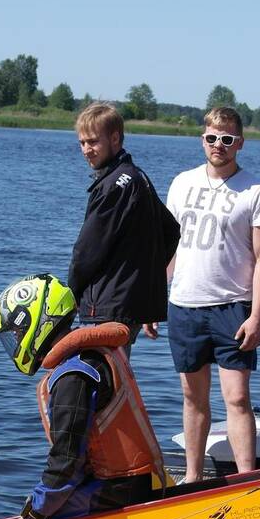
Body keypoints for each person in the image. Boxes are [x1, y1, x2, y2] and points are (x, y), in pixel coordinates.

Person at [0, 274, 166, 519]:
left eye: (16, 334)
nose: (16, 342)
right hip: (140, 482)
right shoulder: (93, 355)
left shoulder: (73, 377)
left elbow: (67, 462)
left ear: (37, 323)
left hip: (118, 492)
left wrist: (31, 517)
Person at [163, 107, 260, 482]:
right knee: (193, 399)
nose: (219, 146)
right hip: (185, 305)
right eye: (212, 138)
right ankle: (193, 478)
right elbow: (169, 247)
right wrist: (151, 298)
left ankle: (247, 480)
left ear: (239, 144)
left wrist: (256, 316)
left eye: (227, 140)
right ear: (203, 139)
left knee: (237, 398)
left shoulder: (256, 191)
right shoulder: (182, 183)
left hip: (232, 308)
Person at [68, 103, 179, 350]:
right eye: (82, 143)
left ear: (115, 138)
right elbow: (171, 232)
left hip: (110, 306)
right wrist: (144, 279)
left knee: (104, 379)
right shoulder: (136, 176)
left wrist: (71, 295)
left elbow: (86, 252)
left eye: (93, 142)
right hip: (131, 304)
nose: (86, 150)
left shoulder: (113, 186)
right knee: (118, 375)